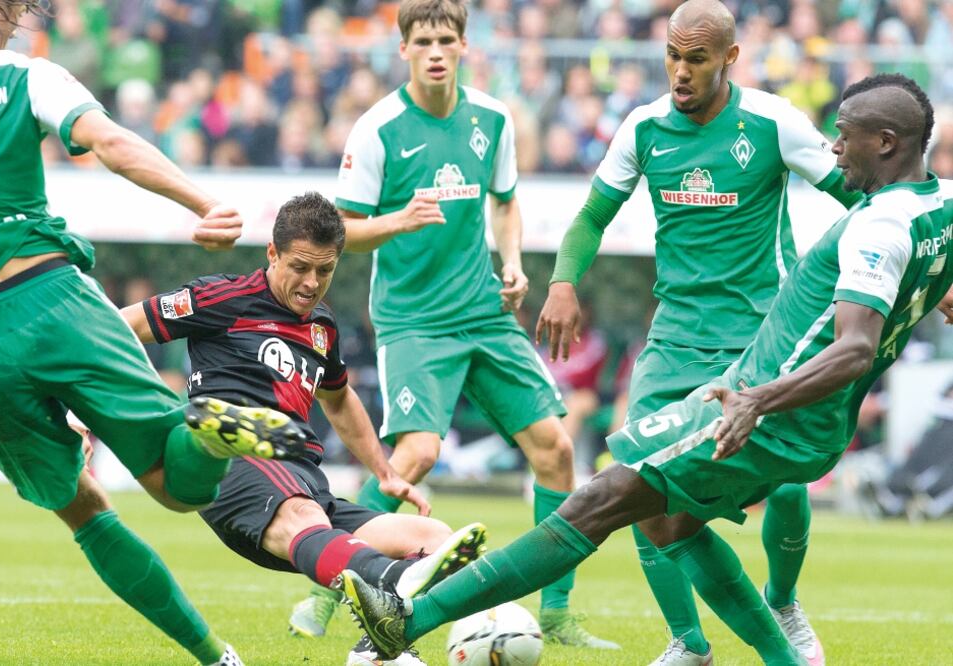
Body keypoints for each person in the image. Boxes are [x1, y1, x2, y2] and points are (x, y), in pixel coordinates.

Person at [338, 73, 952, 666]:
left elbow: (853, 351)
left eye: (845, 135)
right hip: (787, 407)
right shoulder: (940, 205)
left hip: (768, 407)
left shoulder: (875, 221)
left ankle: (406, 619)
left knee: (598, 499)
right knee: (665, 517)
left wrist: (756, 400)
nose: (835, 146)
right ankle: (730, 648)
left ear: (887, 143)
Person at [0, 3, 300, 665]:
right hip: (53, 298)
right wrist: (202, 202)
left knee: (84, 511)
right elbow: (111, 144)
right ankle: (206, 431)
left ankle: (215, 658)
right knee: (178, 484)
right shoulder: (28, 76)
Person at [535, 1, 864, 663]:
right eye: (671, 56)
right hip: (675, 336)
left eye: (696, 59)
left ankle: (781, 600)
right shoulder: (643, 127)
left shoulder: (771, 122)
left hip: (766, 335)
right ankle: (688, 642)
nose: (679, 73)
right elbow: (591, 217)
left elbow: (859, 197)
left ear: (729, 59)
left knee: (789, 486)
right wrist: (562, 281)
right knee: (635, 479)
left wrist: (923, 275)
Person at [291, 0, 615, 649]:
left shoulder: (491, 119)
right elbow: (340, 232)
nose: (436, 49)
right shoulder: (378, 129)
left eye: (446, 38)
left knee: (554, 449)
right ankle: (325, 588)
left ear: (463, 45)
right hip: (414, 319)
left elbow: (504, 203)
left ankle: (555, 613)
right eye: (424, 39)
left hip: (483, 313)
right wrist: (397, 222)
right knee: (415, 455)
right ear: (404, 48)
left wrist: (514, 262)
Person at [122, 192, 489, 666]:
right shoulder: (221, 297)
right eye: (300, 266)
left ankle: (376, 649)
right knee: (309, 520)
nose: (311, 283)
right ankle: (392, 583)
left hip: (304, 480)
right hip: (234, 464)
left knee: (435, 538)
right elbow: (116, 329)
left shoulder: (321, 327)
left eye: (326, 270)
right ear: (272, 254)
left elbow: (339, 400)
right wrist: (83, 408)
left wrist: (385, 473)